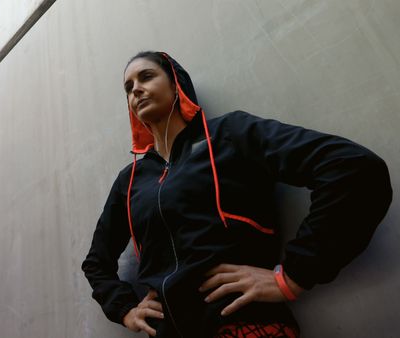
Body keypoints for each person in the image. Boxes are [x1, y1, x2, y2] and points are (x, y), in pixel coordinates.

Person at [81, 51, 392, 338]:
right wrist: (124, 309)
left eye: (147, 76)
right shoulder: (131, 179)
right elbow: (97, 262)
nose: (135, 89)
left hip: (245, 326)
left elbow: (353, 170)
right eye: (128, 87)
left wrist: (293, 276)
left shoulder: (230, 134)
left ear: (176, 84)